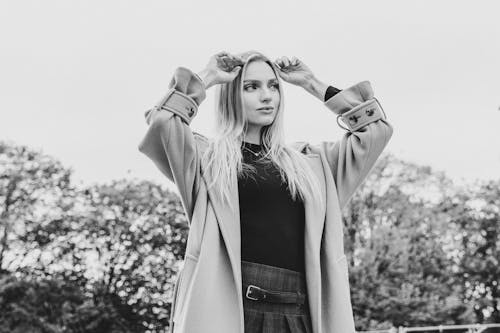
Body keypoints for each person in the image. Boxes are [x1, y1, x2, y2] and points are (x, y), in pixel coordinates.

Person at [138, 50, 393, 333]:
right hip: (231, 314)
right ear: (232, 96)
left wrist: (312, 83)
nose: (267, 95)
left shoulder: (313, 164)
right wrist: (209, 77)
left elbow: (374, 130)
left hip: (299, 316)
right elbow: (162, 123)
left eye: (273, 86)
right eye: (251, 87)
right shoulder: (205, 159)